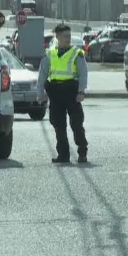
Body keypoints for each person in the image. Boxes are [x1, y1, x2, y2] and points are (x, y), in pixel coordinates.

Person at [37, 24, 89, 163]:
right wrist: (40, 93)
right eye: (65, 36)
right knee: (58, 125)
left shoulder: (76, 53)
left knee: (76, 124)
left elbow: (83, 73)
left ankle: (82, 152)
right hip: (55, 93)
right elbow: (42, 74)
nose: (68, 39)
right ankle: (63, 154)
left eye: (69, 36)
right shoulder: (50, 53)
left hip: (72, 91)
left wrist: (81, 91)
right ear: (57, 37)